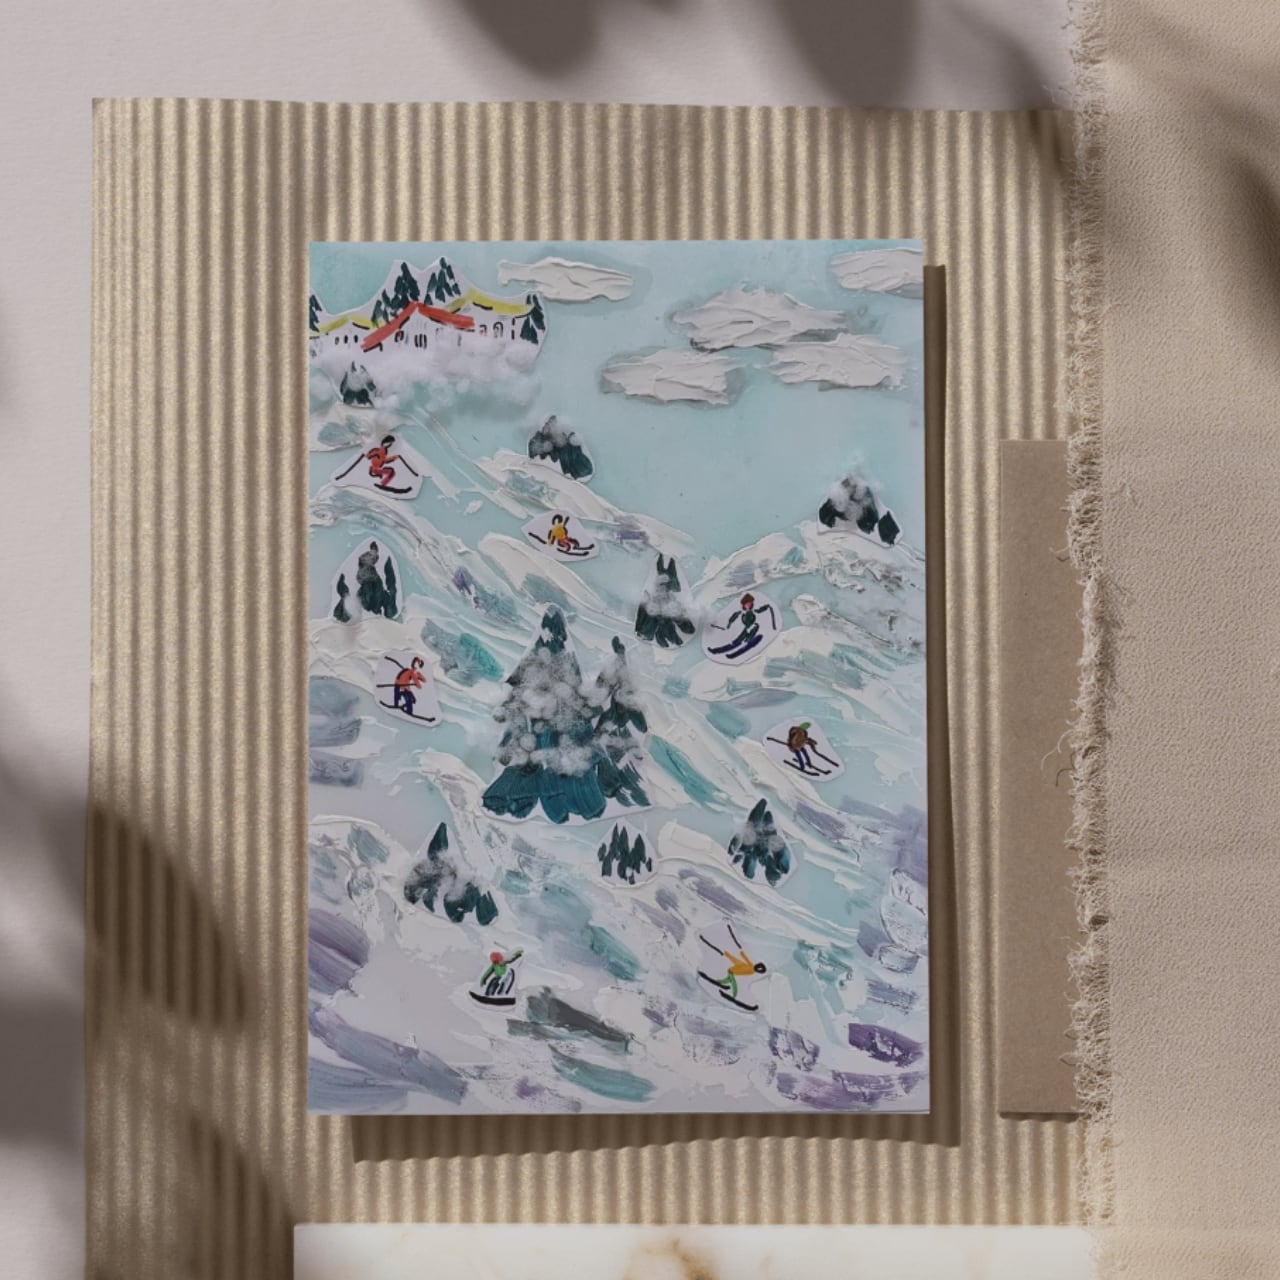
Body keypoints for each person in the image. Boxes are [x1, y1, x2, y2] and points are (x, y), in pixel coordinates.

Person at [701, 931, 766, 1003]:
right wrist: (736, 955)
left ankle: (717, 982)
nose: (757, 969)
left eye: (759, 969)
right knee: (734, 985)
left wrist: (738, 955)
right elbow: (740, 961)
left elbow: (741, 962)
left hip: (732, 971)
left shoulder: (751, 969)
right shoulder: (751, 967)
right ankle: (734, 996)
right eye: (758, 968)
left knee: (727, 981)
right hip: (732, 972)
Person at [707, 591, 777, 656]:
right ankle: (716, 651)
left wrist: (766, 607)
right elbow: (733, 617)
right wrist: (729, 624)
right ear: (744, 604)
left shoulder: (753, 611)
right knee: (736, 642)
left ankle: (744, 648)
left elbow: (760, 610)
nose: (748, 605)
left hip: (753, 628)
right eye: (747, 604)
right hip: (746, 629)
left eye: (750, 603)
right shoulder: (742, 612)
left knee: (747, 641)